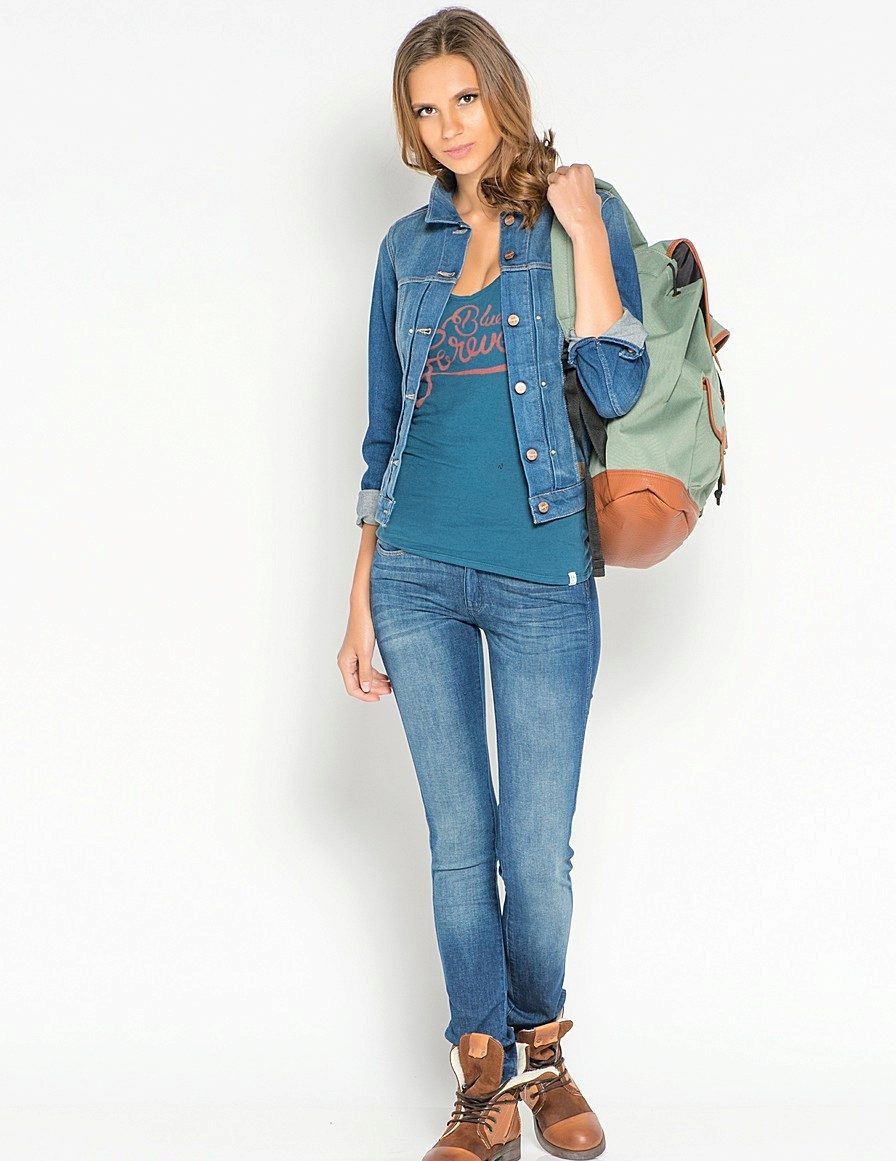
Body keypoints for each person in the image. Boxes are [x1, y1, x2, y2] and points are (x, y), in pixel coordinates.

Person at [336, 8, 649, 1159]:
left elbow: (614, 383)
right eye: (425, 109)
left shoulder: (576, 213)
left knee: (535, 852)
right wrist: (358, 599)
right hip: (413, 573)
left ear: (501, 94)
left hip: (540, 574)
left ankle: (543, 1053)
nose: (447, 126)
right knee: (458, 838)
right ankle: (482, 1081)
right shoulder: (403, 250)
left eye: (463, 98)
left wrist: (587, 229)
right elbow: (382, 435)